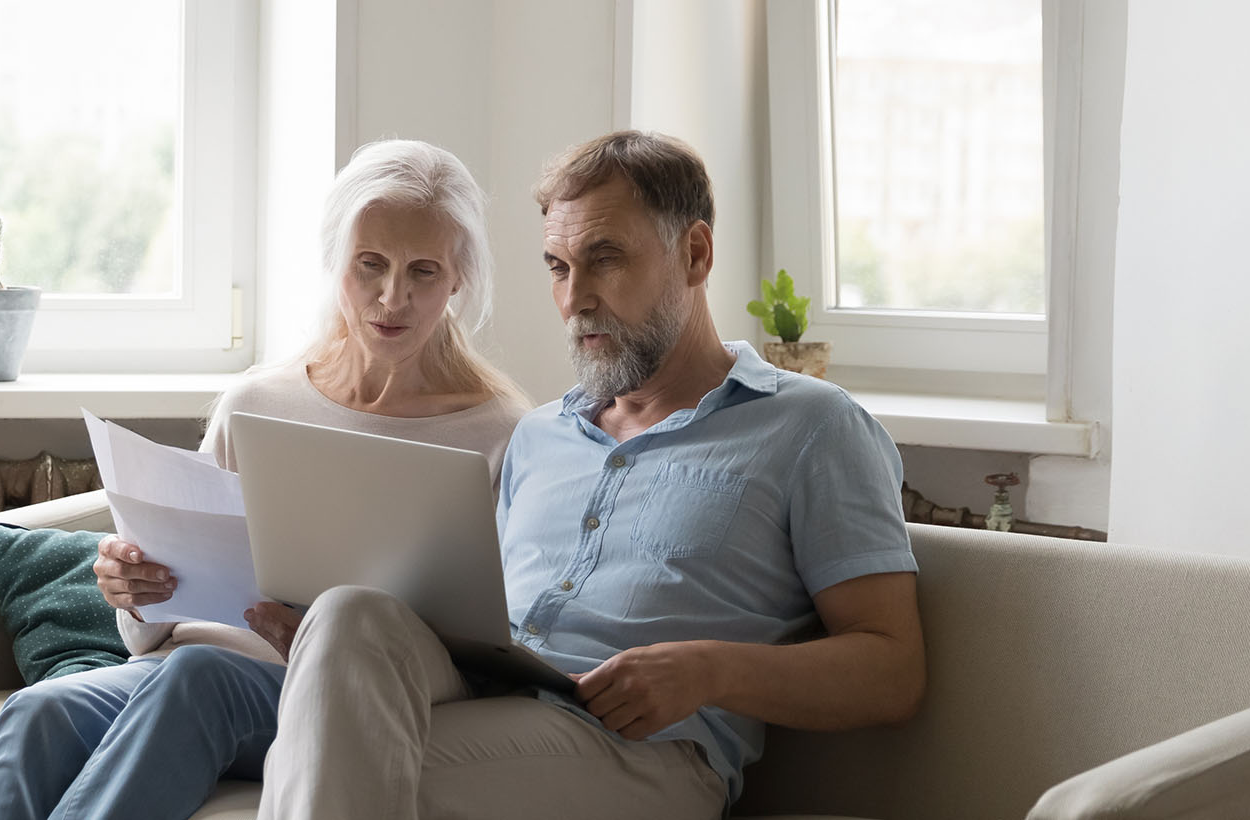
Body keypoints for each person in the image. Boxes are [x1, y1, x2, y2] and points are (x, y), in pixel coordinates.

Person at [257, 130, 928, 819]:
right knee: (349, 614)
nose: (575, 297)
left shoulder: (811, 425)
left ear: (694, 255)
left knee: (343, 768)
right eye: (557, 266)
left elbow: (892, 672)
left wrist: (706, 669)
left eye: (604, 260)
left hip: (643, 750)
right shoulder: (538, 435)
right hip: (493, 696)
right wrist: (322, 648)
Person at [0, 139, 530, 820]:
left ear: (459, 277)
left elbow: (501, 646)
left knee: (202, 680)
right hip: (185, 666)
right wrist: (135, 593)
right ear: (335, 262)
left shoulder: (500, 432)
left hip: (329, 695)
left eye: (423, 272)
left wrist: (329, 644)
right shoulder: (258, 402)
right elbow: (163, 620)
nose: (391, 296)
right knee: (37, 713)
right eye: (369, 265)